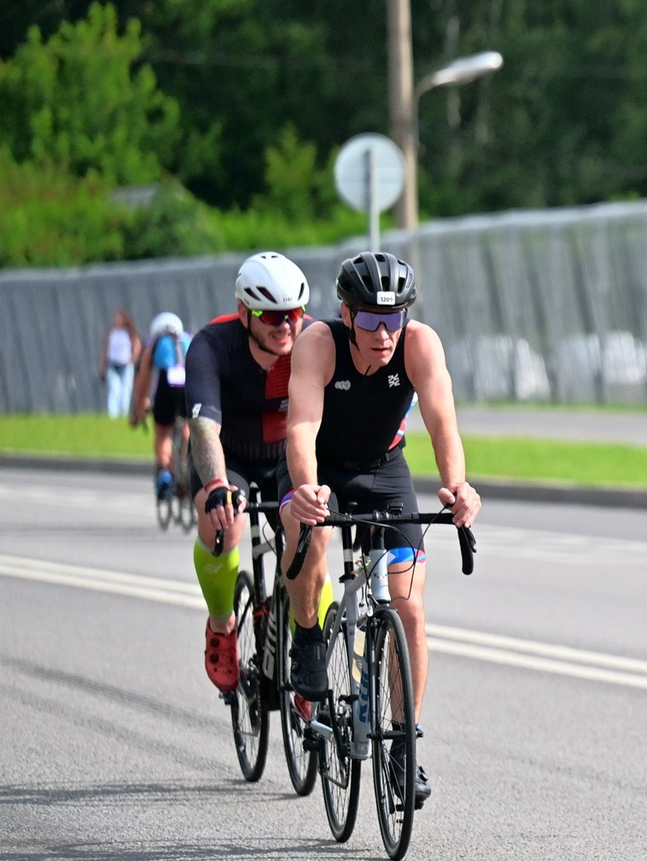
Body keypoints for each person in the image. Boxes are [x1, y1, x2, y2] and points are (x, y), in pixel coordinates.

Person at [284, 249, 479, 804]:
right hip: (320, 467)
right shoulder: (318, 344)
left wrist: (458, 487)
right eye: (370, 319)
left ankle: (403, 747)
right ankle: (307, 636)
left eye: (393, 319)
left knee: (409, 607)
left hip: (383, 469)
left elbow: (443, 424)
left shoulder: (420, 344)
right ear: (346, 314)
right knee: (311, 533)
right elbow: (300, 427)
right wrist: (307, 489)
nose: (383, 333)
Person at [185, 256, 314, 696]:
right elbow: (204, 429)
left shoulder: (314, 341)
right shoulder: (212, 345)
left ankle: (309, 652)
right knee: (224, 523)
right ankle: (222, 624)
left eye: (293, 313)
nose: (286, 326)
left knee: (309, 540)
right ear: (244, 313)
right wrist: (217, 487)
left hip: (284, 457)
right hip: (230, 457)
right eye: (272, 316)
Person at [132, 312, 191, 498]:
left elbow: (144, 380)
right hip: (189, 385)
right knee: (188, 426)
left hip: (167, 385)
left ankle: (166, 472)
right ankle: (188, 460)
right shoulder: (188, 340)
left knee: (163, 432)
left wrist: (139, 407)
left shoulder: (154, 344)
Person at [101, 311, 140, 419]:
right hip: (113, 364)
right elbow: (106, 350)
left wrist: (133, 359)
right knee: (114, 389)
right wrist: (103, 367)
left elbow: (136, 346)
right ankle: (113, 415)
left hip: (125, 365)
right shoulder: (112, 333)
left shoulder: (129, 333)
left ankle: (123, 414)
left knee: (125, 391)